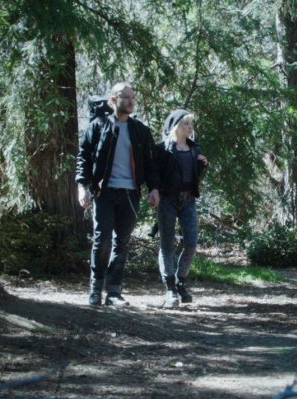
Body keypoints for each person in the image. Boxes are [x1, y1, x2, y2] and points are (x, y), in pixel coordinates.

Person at [75, 83, 159, 306]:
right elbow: (83, 157)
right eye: (125, 97)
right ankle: (95, 289)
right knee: (102, 240)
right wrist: (82, 187)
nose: (131, 101)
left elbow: (151, 164)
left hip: (130, 194)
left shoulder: (141, 131)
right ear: (113, 100)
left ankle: (114, 291)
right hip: (104, 192)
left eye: (133, 98)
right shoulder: (98, 126)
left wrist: (154, 188)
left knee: (121, 242)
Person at [150, 109, 208, 307]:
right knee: (167, 245)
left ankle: (180, 280)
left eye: (191, 124)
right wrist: (154, 191)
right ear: (176, 126)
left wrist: (202, 166)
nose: (190, 128)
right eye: (186, 124)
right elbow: (155, 174)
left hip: (188, 201)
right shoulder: (162, 149)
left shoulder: (194, 150)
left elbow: (195, 178)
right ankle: (170, 288)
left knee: (191, 243)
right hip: (167, 200)